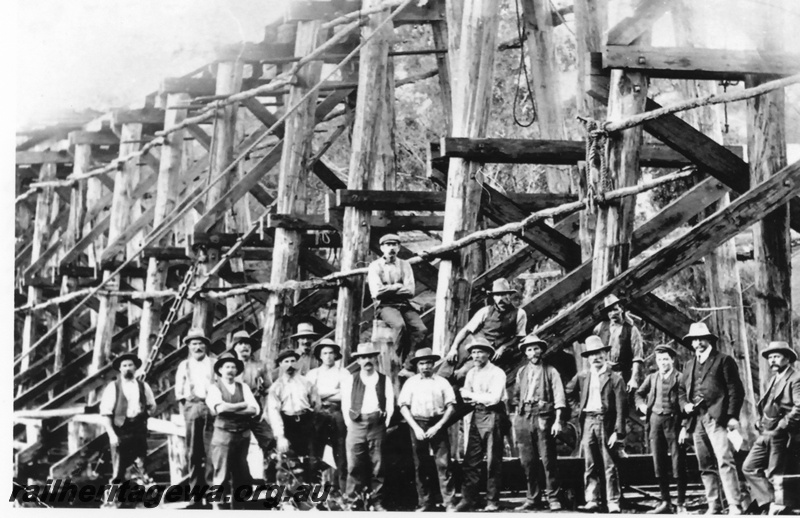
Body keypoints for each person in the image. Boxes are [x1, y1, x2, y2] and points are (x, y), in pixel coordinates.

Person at [679, 322, 745, 515]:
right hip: (696, 420)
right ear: (691, 343)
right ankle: (713, 505)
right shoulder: (688, 365)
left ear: (709, 340)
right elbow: (681, 391)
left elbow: (736, 390)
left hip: (718, 418)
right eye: (695, 340)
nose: (698, 343)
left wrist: (732, 416)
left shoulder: (724, 360)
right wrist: (685, 406)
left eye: (702, 339)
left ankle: (734, 505)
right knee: (705, 465)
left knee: (724, 460)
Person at [566, 335, 627, 514]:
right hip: (588, 421)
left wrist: (618, 432)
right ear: (588, 357)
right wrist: (578, 409)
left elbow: (621, 408)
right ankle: (591, 500)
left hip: (606, 422)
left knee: (609, 463)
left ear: (605, 354)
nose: (596, 357)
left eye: (599, 353)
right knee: (590, 463)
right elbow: (569, 392)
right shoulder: (583, 376)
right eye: (592, 354)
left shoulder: (615, 378)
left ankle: (613, 501)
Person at [742, 341, 800, 516]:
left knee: (775, 473)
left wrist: (782, 426)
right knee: (749, 467)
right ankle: (770, 503)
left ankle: (777, 508)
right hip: (766, 432)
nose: (772, 360)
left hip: (782, 434)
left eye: (777, 356)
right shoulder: (774, 379)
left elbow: (799, 407)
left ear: (787, 358)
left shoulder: (796, 378)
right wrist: (760, 422)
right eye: (770, 357)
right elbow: (768, 405)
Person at [398, 347, 457, 512]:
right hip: (418, 423)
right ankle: (425, 502)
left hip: (438, 423)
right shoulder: (411, 382)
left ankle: (449, 502)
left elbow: (451, 407)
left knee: (444, 463)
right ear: (417, 365)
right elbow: (403, 407)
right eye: (422, 363)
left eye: (429, 363)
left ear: (433, 364)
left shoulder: (442, 382)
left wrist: (438, 426)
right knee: (420, 464)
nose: (425, 367)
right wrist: (416, 428)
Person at [512, 334, 566, 511]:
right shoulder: (521, 372)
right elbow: (516, 397)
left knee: (548, 460)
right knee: (527, 461)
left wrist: (557, 421)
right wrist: (517, 420)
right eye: (529, 349)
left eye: (536, 348)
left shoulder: (551, 371)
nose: (533, 352)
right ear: (525, 353)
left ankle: (553, 497)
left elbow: (559, 396)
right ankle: (533, 497)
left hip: (544, 417)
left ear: (541, 350)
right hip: (524, 417)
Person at [341, 342, 395, 512]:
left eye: (370, 357)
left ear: (375, 358)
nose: (367, 360)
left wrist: (384, 423)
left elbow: (390, 403)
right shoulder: (351, 379)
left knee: (378, 465)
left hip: (377, 425)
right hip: (356, 424)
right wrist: (350, 424)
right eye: (363, 357)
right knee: (354, 465)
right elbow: (345, 403)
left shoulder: (384, 379)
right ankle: (353, 501)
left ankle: (376, 501)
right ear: (358, 361)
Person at [456, 337, 508, 512]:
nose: (476, 355)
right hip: (476, 414)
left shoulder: (497, 373)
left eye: (480, 352)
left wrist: (473, 395)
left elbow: (493, 398)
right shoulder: (471, 373)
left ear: (488, 354)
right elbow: (465, 395)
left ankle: (492, 500)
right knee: (471, 459)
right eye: (474, 352)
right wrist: (474, 397)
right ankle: (468, 499)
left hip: (493, 414)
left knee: (493, 460)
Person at [635, 344, 686, 514]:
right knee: (659, 462)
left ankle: (680, 503)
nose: (663, 363)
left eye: (666, 359)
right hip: (655, 422)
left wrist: (685, 426)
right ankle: (666, 503)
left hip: (674, 423)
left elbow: (686, 402)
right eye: (659, 359)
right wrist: (641, 406)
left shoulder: (680, 378)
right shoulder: (652, 378)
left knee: (678, 463)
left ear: (672, 360)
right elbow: (638, 394)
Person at [100, 353, 157, 504]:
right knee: (118, 469)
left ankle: (145, 501)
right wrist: (112, 435)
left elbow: (152, 406)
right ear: (119, 369)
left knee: (141, 466)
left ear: (136, 367)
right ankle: (110, 501)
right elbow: (105, 413)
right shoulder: (113, 387)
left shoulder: (143, 386)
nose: (127, 368)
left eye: (130, 365)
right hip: (121, 431)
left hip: (138, 430)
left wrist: (144, 416)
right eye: (124, 366)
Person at [205, 353, 259, 508]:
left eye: (233, 367)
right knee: (221, 472)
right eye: (227, 367)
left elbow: (254, 409)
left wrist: (231, 408)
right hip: (223, 434)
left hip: (242, 435)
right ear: (220, 370)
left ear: (237, 371)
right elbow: (220, 409)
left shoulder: (244, 387)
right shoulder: (214, 388)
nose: (230, 370)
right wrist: (242, 405)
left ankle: (239, 507)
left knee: (241, 472)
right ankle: (219, 507)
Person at [444, 278, 527, 378]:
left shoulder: (519, 314)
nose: (500, 298)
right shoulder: (486, 311)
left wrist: (503, 347)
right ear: (493, 297)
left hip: (487, 351)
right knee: (445, 370)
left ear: (509, 295)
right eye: (497, 295)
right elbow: (466, 330)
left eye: (504, 294)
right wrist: (453, 348)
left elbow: (519, 336)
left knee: (462, 374)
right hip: (471, 342)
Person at [367, 233, 427, 370]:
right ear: (382, 248)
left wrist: (387, 290)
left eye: (394, 245)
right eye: (388, 245)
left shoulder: (405, 265)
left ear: (399, 247)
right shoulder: (375, 266)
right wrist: (396, 287)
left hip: (404, 304)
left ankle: (408, 363)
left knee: (421, 330)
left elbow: (410, 291)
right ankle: (395, 362)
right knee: (400, 326)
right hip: (385, 306)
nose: (391, 248)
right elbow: (377, 293)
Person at [266, 349, 321, 484]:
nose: (290, 365)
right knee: (288, 461)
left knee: (311, 460)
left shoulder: (307, 383)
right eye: (286, 361)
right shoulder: (276, 387)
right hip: (287, 423)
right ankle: (289, 494)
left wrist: (310, 420)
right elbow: (273, 412)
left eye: (293, 361)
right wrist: (280, 436)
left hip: (306, 423)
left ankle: (311, 492)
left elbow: (316, 404)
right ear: (280, 364)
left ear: (298, 363)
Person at [174, 328, 216, 495]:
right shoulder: (184, 366)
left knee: (213, 449)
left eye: (200, 343)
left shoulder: (214, 363)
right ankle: (195, 491)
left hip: (212, 408)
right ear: (189, 347)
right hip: (192, 407)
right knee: (193, 451)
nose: (197, 347)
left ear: (206, 346)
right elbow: (179, 393)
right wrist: (186, 412)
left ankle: (213, 490)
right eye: (194, 344)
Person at [229, 330, 275, 477]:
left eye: (247, 344)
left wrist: (267, 410)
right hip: (236, 409)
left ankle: (271, 477)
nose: (244, 347)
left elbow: (269, 389)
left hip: (256, 407)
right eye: (240, 343)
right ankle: (240, 481)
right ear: (234, 347)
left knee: (269, 440)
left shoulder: (259, 366)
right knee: (237, 446)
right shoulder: (229, 366)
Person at [306, 338, 349, 496]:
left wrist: (321, 394)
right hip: (317, 415)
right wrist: (334, 392)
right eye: (325, 353)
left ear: (336, 354)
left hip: (337, 413)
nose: (328, 356)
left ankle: (342, 493)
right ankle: (314, 492)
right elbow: (310, 395)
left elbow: (345, 395)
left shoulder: (343, 373)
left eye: (331, 353)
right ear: (320, 355)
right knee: (314, 452)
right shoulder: (313, 374)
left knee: (341, 453)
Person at [593, 295, 644, 391]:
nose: (612, 313)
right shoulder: (600, 327)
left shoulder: (631, 330)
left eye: (615, 310)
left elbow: (637, 357)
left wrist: (633, 379)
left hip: (624, 375)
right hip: (604, 376)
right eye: (609, 311)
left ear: (621, 309)